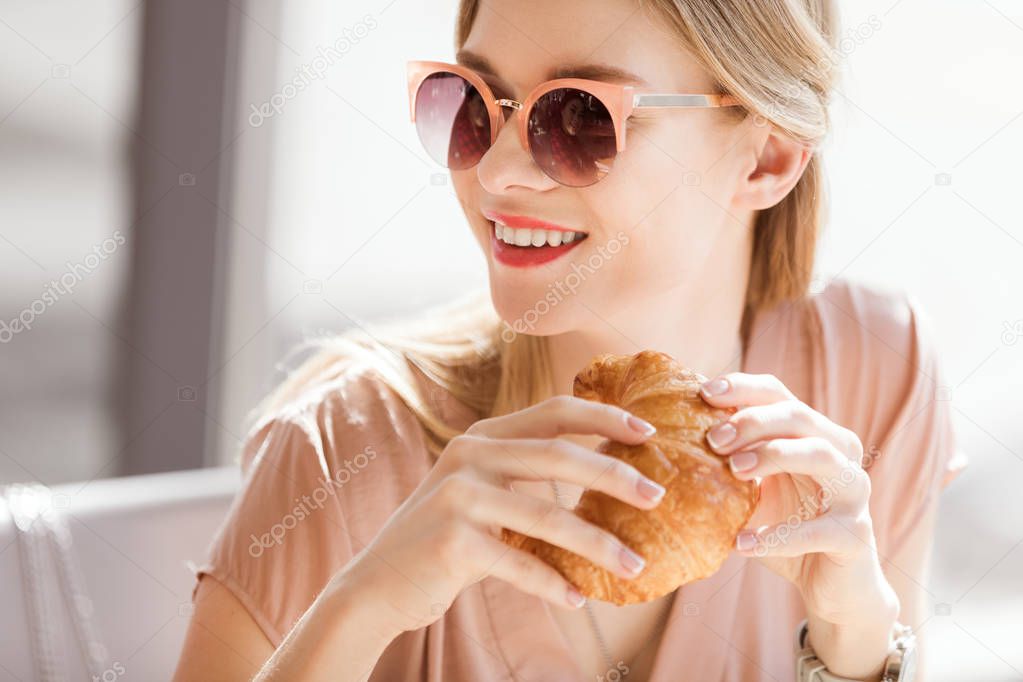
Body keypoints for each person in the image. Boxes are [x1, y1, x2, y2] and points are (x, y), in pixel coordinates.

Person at [174, 0, 964, 679]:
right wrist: (363, 606)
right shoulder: (342, 449)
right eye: (475, 104)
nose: (498, 175)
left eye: (579, 118)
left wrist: (860, 648)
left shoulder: (874, 371)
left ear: (767, 155)